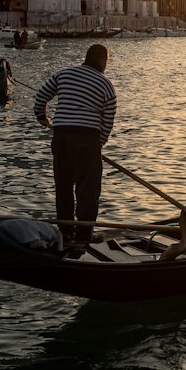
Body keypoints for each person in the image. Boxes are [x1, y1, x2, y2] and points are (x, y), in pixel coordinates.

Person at [34, 44, 117, 250]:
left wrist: (43, 118)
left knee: (63, 187)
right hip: (87, 140)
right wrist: (97, 145)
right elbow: (108, 121)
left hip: (61, 137)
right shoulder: (107, 86)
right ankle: (83, 236)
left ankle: (64, 232)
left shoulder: (64, 74)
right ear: (103, 61)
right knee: (87, 191)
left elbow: (41, 96)